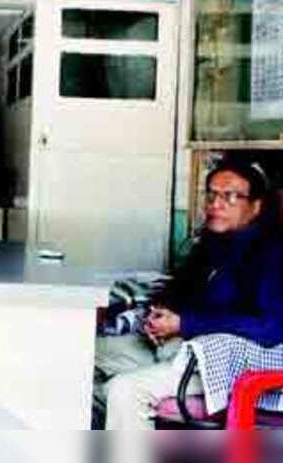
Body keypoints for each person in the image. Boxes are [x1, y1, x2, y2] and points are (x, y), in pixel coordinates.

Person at [97, 159, 283, 430]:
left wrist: (185, 323)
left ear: (256, 206)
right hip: (183, 349)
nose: (216, 204)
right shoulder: (212, 245)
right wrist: (161, 318)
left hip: (228, 366)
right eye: (212, 194)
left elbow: (271, 327)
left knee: (125, 391)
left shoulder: (273, 255)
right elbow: (189, 298)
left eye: (230, 196)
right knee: (85, 356)